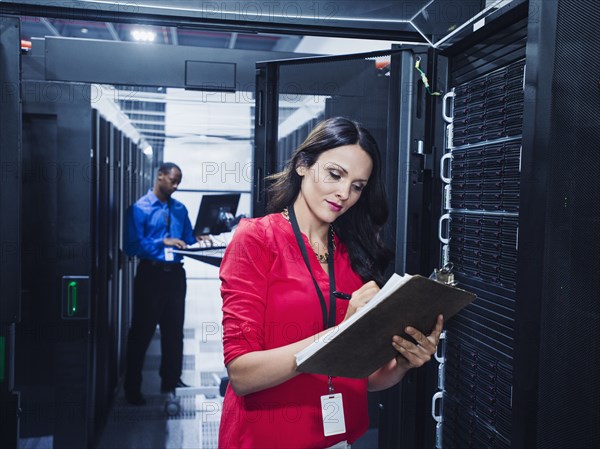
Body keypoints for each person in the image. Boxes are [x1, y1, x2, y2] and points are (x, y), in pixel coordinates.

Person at [218, 117, 444, 448]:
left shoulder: (352, 252)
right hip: (266, 438)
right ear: (302, 165)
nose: (344, 193)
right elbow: (242, 374)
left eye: (357, 186)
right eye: (335, 175)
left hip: (337, 439)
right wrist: (340, 334)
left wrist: (401, 365)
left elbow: (361, 377)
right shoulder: (256, 239)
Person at [123, 162, 199, 406]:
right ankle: (132, 388)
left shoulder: (180, 209)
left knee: (174, 331)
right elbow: (132, 246)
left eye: (179, 182)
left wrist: (204, 235)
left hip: (176, 275)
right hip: (151, 276)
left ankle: (171, 379)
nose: (176, 186)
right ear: (160, 176)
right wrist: (162, 242)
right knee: (142, 332)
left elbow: (187, 239)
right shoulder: (139, 209)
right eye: (173, 180)